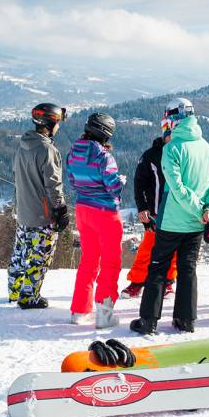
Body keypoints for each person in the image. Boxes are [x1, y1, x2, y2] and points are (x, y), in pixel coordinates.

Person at [132, 98, 209, 335]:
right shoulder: (208, 149)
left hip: (172, 221)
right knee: (187, 270)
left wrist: (198, 209)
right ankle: (186, 320)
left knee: (158, 268)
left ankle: (148, 321)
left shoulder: (171, 149)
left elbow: (176, 188)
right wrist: (207, 208)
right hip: (196, 224)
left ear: (172, 121)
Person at [66, 113, 126, 328]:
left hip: (83, 210)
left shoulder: (74, 152)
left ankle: (79, 310)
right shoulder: (103, 156)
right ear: (106, 133)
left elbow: (72, 181)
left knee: (89, 260)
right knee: (110, 261)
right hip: (105, 213)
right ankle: (104, 314)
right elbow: (113, 187)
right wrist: (121, 182)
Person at [8, 102, 69, 309]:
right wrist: (60, 210)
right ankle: (29, 297)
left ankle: (15, 291)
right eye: (58, 123)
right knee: (39, 257)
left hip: (24, 212)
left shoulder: (23, 145)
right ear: (50, 123)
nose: (58, 127)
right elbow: (53, 185)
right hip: (42, 216)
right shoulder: (47, 150)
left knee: (20, 253)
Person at [122, 122, 177, 300]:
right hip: (156, 212)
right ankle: (137, 282)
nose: (174, 137)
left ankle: (168, 282)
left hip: (179, 212)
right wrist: (142, 207)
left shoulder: (183, 152)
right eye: (171, 134)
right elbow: (139, 183)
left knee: (174, 250)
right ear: (165, 134)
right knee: (147, 249)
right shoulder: (151, 155)